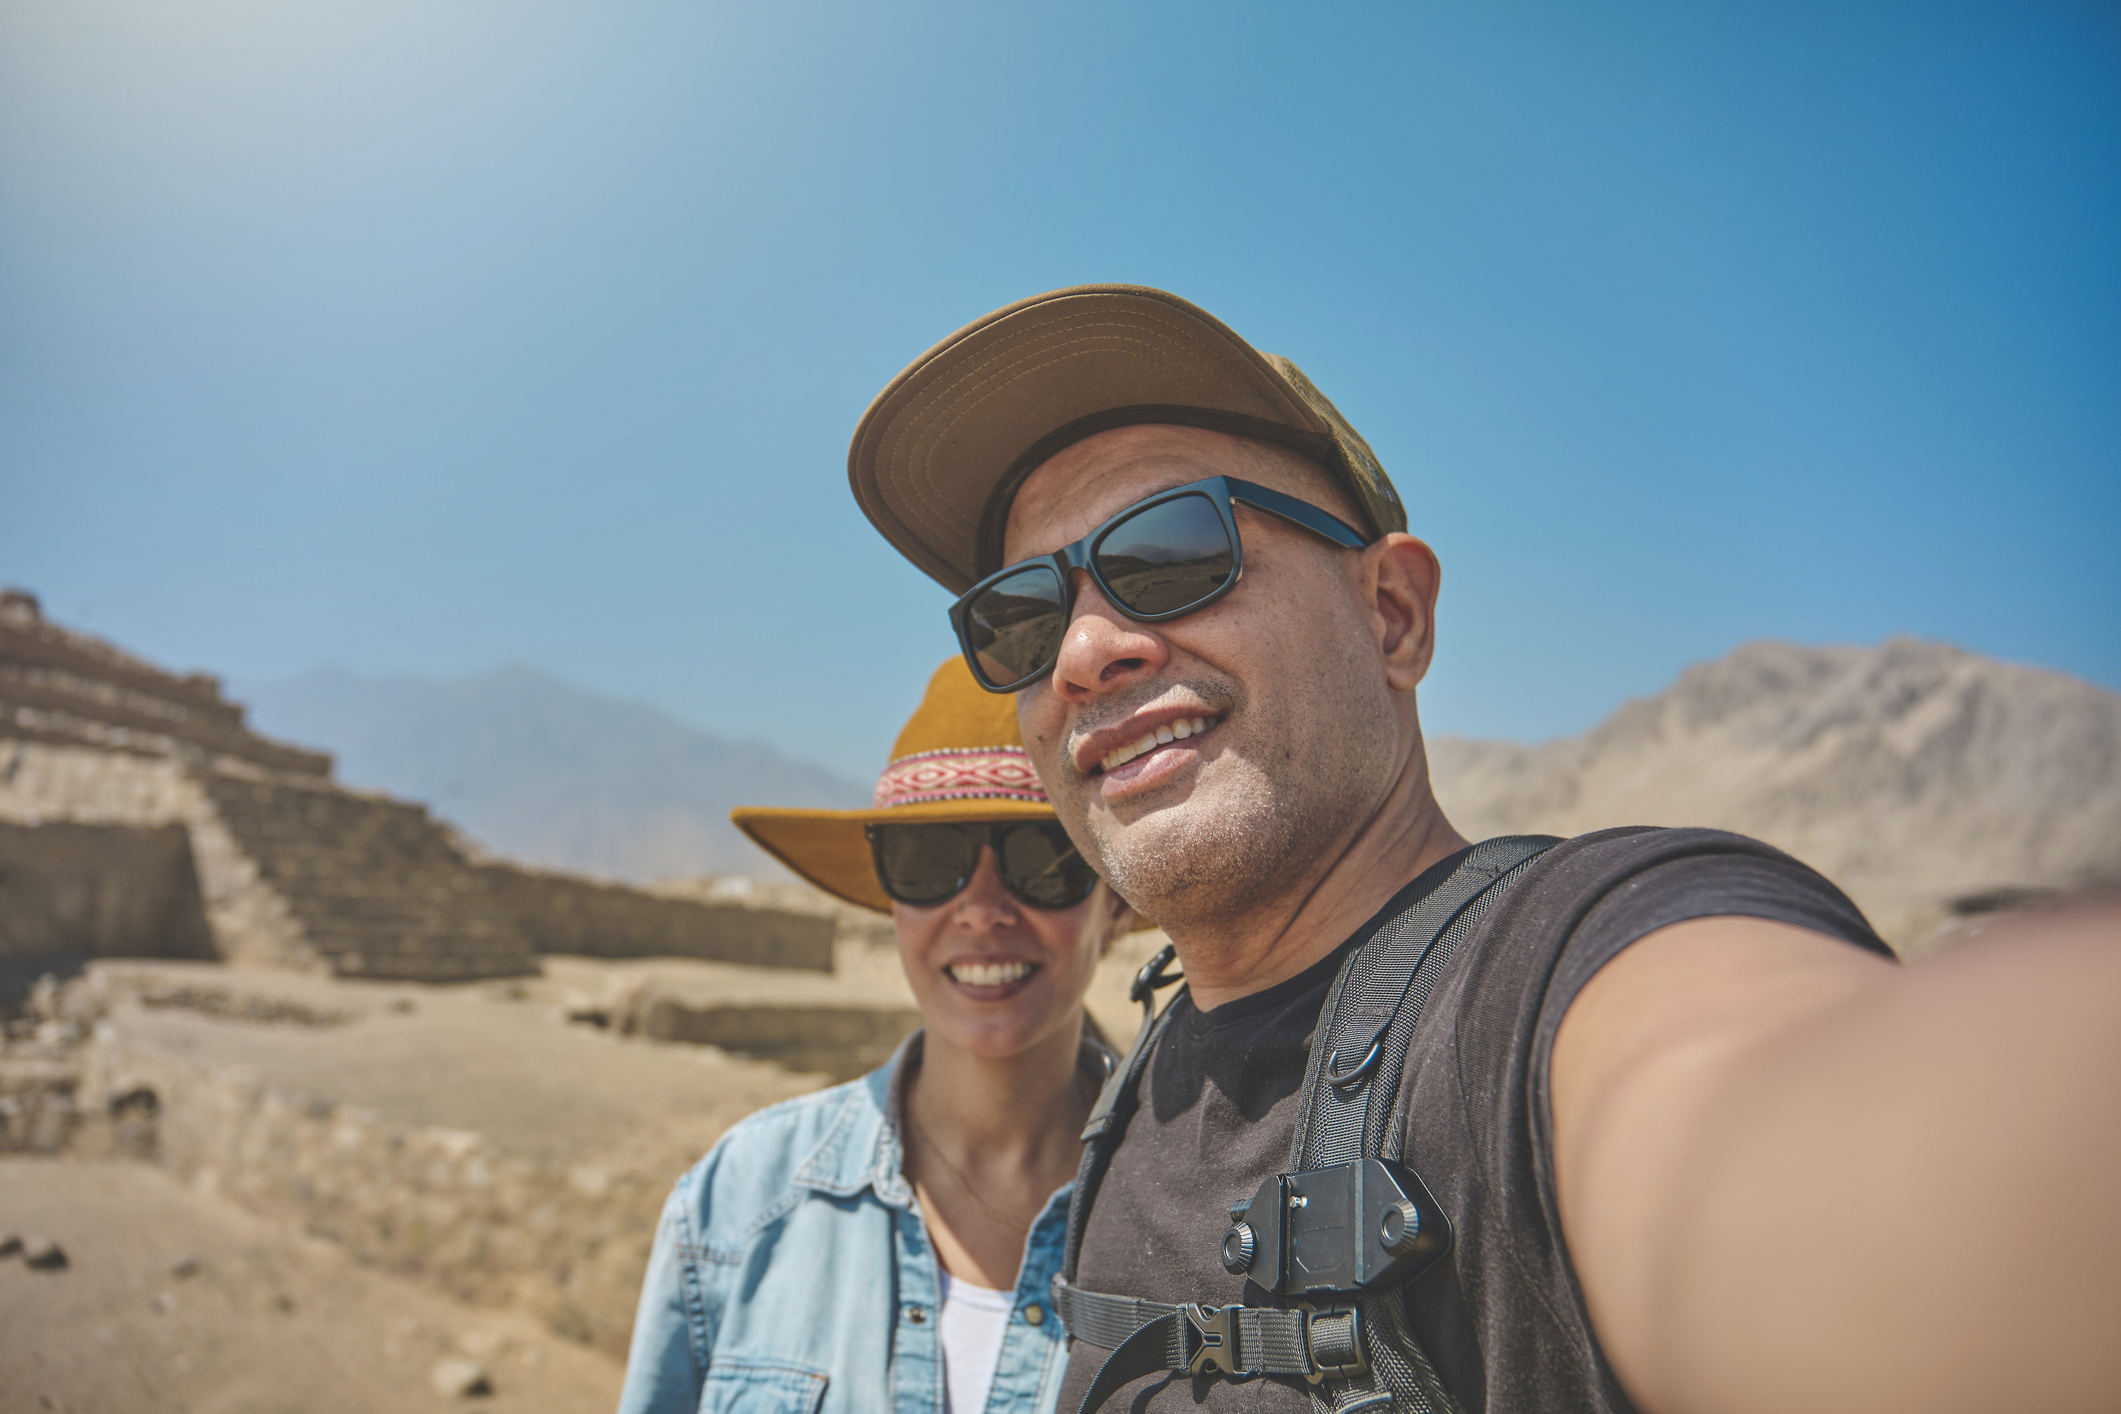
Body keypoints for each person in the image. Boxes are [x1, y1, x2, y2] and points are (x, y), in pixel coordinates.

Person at [845, 285, 2121, 1414]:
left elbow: (1804, 1149)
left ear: (1392, 614)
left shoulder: (1554, 976)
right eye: (1018, 617)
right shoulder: (1136, 1092)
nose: (1083, 653)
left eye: (1171, 551)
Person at [615, 657, 1138, 1414]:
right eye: (930, 863)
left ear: (1114, 902)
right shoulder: (739, 1200)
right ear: (891, 901)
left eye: (1042, 860)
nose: (982, 909)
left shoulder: (1198, 1221)